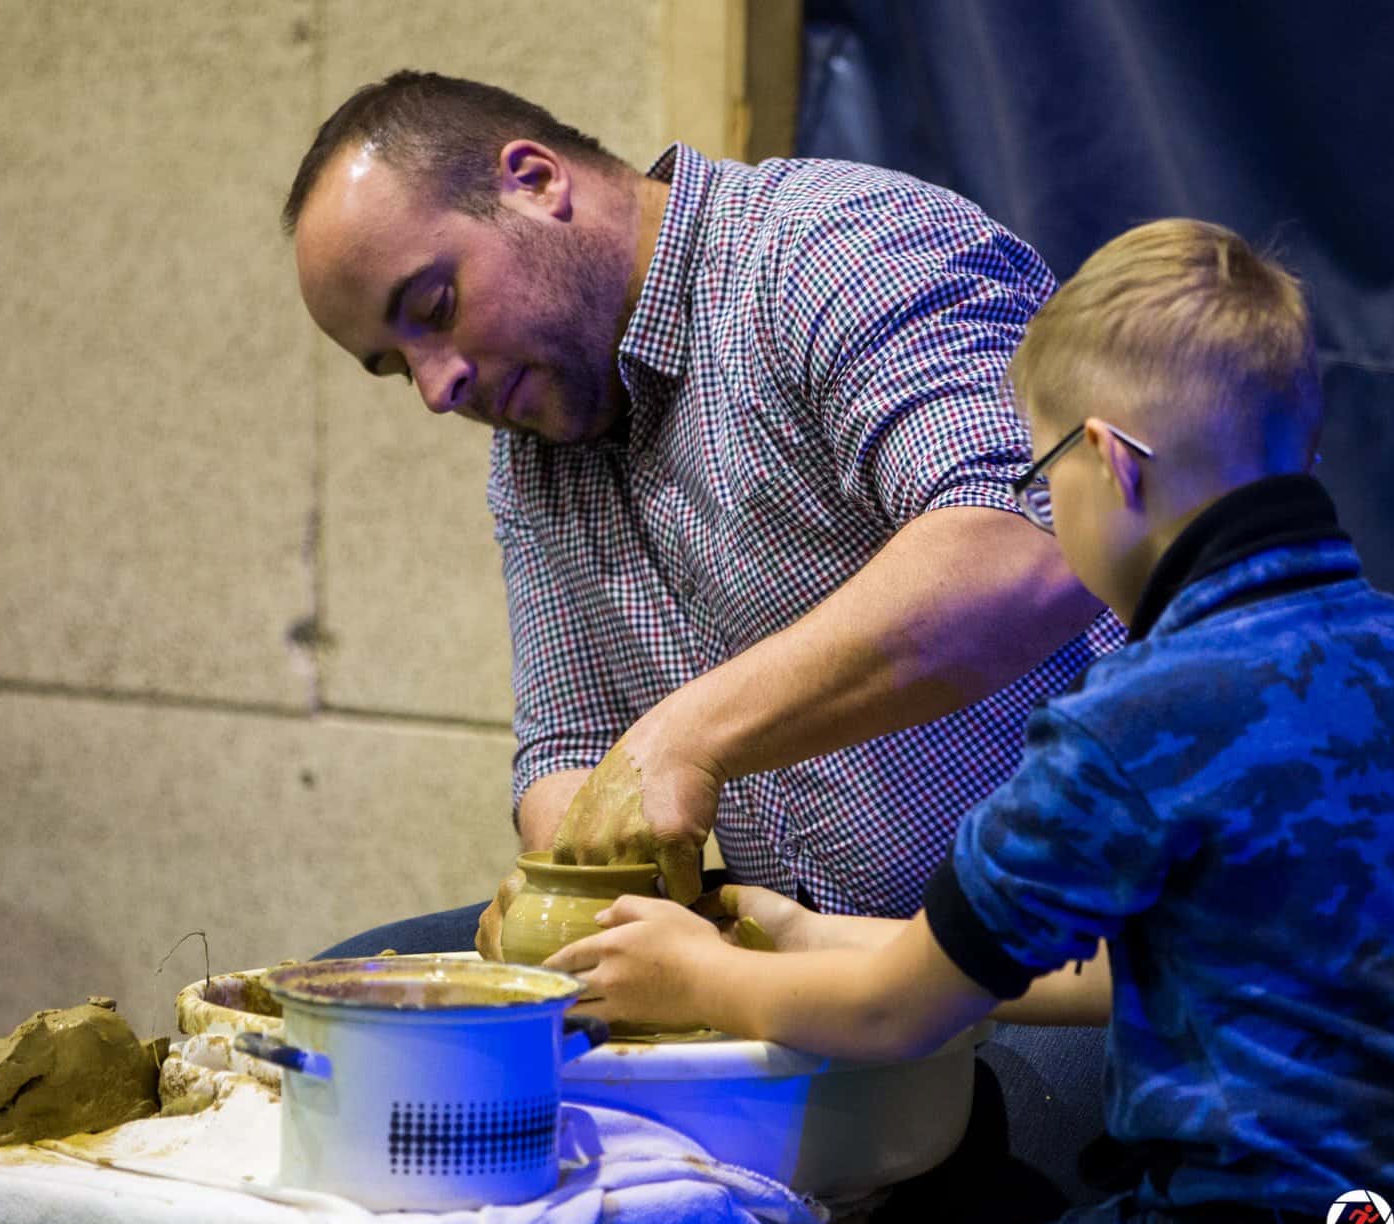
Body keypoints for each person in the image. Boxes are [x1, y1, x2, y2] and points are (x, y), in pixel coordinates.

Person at [548, 219, 1394, 1224]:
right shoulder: (1392, 656)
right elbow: (1147, 962)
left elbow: (893, 1017)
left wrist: (694, 977)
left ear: (1109, 463)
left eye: (1042, 481)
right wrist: (808, 935)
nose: (1045, 517)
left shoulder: (1141, 714)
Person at [281, 71, 1122, 957]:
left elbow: (1032, 542)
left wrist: (691, 735)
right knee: (345, 993)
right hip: (805, 940)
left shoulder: (831, 247)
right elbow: (570, 743)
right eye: (396, 367)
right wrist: (563, 893)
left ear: (535, 180)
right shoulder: (534, 442)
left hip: (1083, 929)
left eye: (435, 309)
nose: (437, 387)